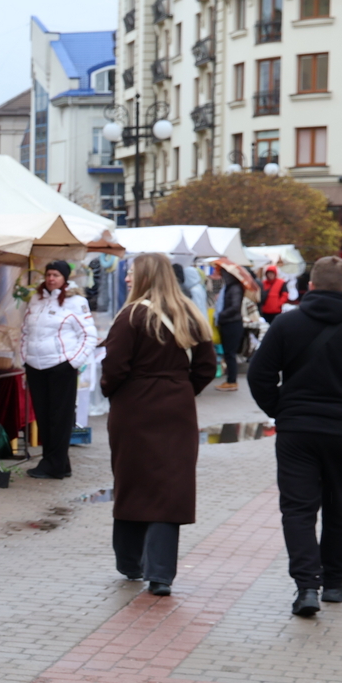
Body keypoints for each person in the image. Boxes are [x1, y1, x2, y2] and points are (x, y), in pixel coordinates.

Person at [247, 255, 342, 618]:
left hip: (297, 432)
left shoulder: (286, 324)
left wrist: (280, 409)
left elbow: (259, 375)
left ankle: (306, 587)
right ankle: (334, 583)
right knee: (340, 506)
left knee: (298, 509)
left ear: (310, 286)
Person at [101, 253, 217, 596]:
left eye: (131, 273)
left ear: (144, 277)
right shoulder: (192, 314)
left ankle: (130, 562)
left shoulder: (130, 316)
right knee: (170, 487)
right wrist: (180, 390)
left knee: (132, 481)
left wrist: (115, 393)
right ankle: (161, 574)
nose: (127, 278)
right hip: (177, 411)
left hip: (134, 410)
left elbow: (114, 368)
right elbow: (206, 367)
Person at [20, 260, 98, 480]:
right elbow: (25, 331)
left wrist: (72, 362)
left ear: (65, 278)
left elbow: (89, 335)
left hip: (60, 366)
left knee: (60, 417)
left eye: (56, 275)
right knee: (43, 415)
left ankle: (53, 464)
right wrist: (24, 356)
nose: (51, 279)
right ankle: (58, 463)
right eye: (48, 275)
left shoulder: (76, 302)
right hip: (35, 365)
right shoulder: (36, 299)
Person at [214, 263, 246, 391]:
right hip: (228, 322)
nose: (222, 275)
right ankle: (230, 380)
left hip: (231, 323)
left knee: (230, 353)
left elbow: (235, 307)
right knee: (228, 353)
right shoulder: (228, 288)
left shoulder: (235, 288)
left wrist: (221, 315)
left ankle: (232, 381)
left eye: (224, 273)